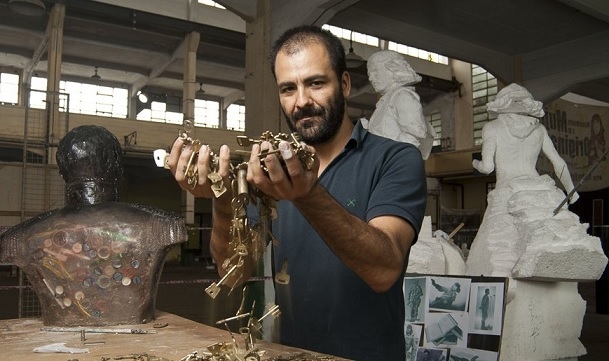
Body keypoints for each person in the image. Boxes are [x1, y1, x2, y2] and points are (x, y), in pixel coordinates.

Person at [167, 25, 427, 361]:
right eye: (288, 89)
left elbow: (385, 270)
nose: (302, 102)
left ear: (344, 85)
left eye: (316, 83)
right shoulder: (269, 170)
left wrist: (306, 194)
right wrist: (223, 198)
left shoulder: (395, 159)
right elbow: (234, 272)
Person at [0, 125, 187, 326]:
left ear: (62, 172)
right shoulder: (164, 226)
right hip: (131, 336)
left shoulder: (20, 237)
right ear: (118, 169)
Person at [364, 50, 436, 160]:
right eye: (369, 74)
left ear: (391, 69)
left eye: (374, 72)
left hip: (395, 166)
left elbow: (415, 135)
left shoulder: (403, 97)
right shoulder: (385, 102)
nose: (371, 78)